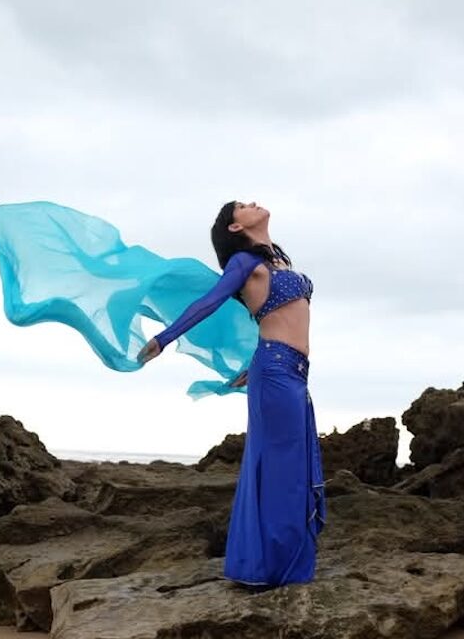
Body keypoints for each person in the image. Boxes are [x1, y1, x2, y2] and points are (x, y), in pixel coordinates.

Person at [138, 200, 326, 588]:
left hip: (290, 370)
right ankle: (270, 566)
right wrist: (163, 338)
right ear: (236, 228)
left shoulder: (278, 262)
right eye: (242, 206)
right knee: (279, 469)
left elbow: (281, 319)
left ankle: (278, 562)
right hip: (275, 371)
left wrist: (252, 363)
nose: (252, 203)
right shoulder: (243, 262)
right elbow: (210, 301)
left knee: (290, 466)